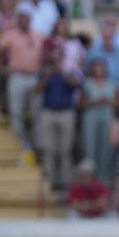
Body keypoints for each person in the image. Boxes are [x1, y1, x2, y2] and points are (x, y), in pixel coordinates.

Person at [0, 8, 44, 148]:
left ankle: (37, 145)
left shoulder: (38, 35)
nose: (24, 21)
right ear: (18, 19)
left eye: (26, 18)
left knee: (36, 113)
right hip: (17, 76)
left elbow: (46, 54)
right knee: (17, 112)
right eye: (21, 18)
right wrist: (2, 69)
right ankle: (18, 145)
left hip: (34, 77)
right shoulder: (10, 35)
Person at [36, 52, 79, 188]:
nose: (57, 65)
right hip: (49, 113)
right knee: (49, 149)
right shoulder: (46, 74)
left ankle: (65, 181)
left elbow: (75, 85)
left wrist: (64, 74)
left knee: (65, 149)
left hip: (66, 113)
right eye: (55, 62)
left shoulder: (69, 74)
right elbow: (38, 89)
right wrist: (49, 76)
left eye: (60, 62)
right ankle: (49, 179)